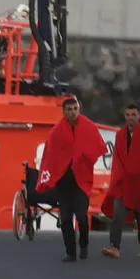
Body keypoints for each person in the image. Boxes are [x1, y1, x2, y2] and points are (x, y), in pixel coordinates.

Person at [35, 98, 108, 262]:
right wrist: (48, 177)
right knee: (66, 218)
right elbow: (50, 156)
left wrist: (85, 159)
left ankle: (83, 245)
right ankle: (71, 252)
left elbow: (97, 147)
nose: (73, 112)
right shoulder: (57, 131)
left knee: (82, 216)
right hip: (64, 181)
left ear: (79, 108)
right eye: (69, 109)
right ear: (63, 112)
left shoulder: (88, 126)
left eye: (75, 108)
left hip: (82, 180)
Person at [101, 103, 140, 259]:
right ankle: (114, 247)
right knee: (118, 215)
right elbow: (118, 159)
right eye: (128, 115)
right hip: (123, 184)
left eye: (133, 115)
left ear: (139, 116)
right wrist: (118, 177)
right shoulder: (120, 135)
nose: (130, 118)